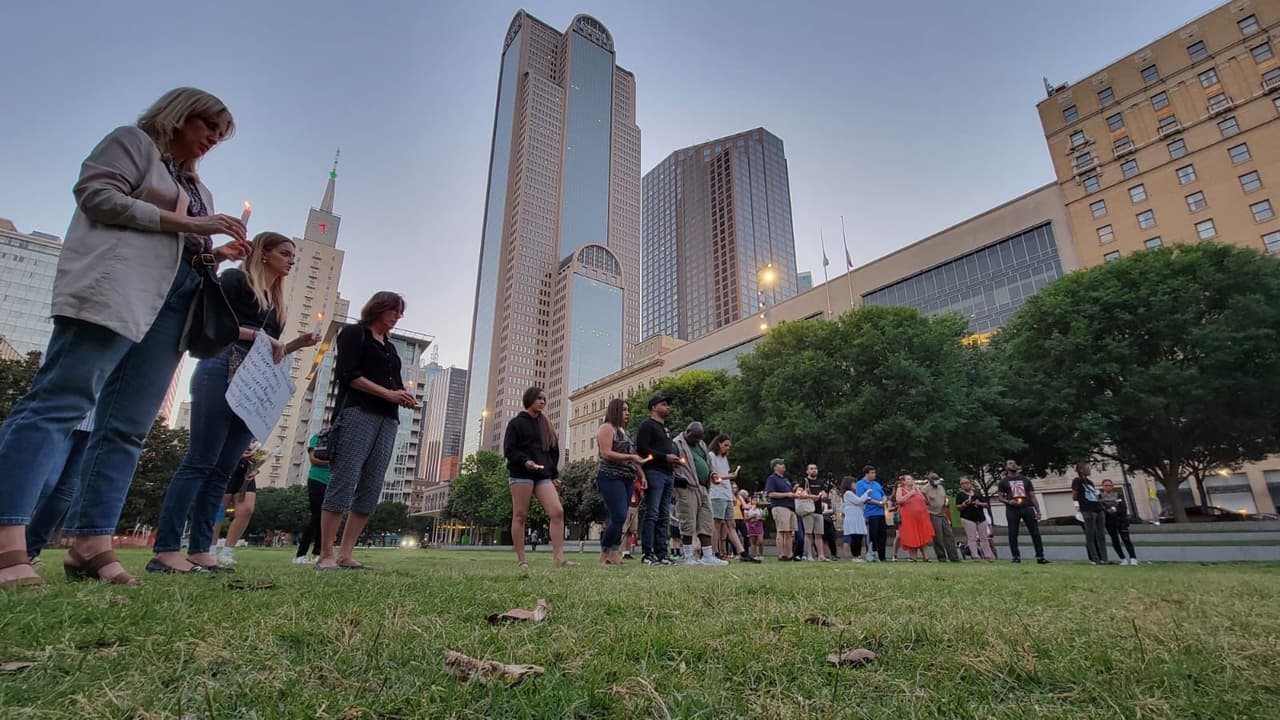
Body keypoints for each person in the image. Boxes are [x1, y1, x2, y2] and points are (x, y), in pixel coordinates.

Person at [0, 88, 250, 587]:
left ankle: (92, 539)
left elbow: (180, 244)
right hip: (115, 290)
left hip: (173, 305)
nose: (211, 141)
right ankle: (7, 534)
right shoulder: (131, 144)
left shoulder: (198, 186)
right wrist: (187, 222)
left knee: (128, 428)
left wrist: (212, 254)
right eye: (207, 128)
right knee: (59, 402)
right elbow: (96, 195)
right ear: (179, 116)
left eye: (219, 137)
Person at [151, 232, 316, 574]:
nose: (291, 259)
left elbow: (271, 348)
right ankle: (166, 549)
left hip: (254, 386)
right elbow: (209, 321)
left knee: (223, 470)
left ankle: (200, 550)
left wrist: (294, 344)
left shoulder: (276, 302)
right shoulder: (235, 280)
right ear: (263, 253)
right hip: (221, 368)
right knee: (199, 460)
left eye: (292, 255)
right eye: (284, 253)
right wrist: (255, 335)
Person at [316, 292, 419, 571]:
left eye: (400, 313)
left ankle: (346, 553)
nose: (397, 317)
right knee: (345, 478)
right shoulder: (354, 334)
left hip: (388, 419)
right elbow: (348, 375)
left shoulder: (391, 348)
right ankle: (325, 552)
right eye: (394, 311)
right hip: (357, 412)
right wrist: (387, 393)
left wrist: (403, 396)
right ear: (379, 308)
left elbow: (395, 385)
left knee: (372, 485)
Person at [502, 386, 569, 569]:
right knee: (520, 515)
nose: (542, 402)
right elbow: (509, 450)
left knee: (557, 512)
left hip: (542, 476)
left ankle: (559, 557)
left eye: (544, 400)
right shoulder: (516, 423)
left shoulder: (545, 424)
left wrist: (553, 473)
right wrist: (525, 462)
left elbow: (553, 451)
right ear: (529, 399)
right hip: (521, 474)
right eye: (539, 398)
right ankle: (522, 559)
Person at [595, 399, 645, 566]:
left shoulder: (625, 432)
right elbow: (606, 453)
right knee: (618, 516)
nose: (627, 413)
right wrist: (631, 457)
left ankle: (614, 553)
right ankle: (605, 552)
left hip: (627, 478)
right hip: (610, 476)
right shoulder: (606, 428)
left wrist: (641, 475)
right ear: (615, 411)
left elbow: (633, 456)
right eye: (624, 410)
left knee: (620, 518)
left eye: (628, 410)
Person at [672, 422, 726, 566]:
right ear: (687, 431)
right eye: (694, 437)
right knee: (688, 520)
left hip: (703, 487)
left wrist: (712, 474)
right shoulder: (677, 444)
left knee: (706, 520)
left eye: (699, 437)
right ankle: (688, 556)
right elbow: (670, 463)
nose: (696, 440)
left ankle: (708, 555)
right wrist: (678, 479)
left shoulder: (701, 444)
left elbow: (706, 462)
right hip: (687, 487)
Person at [635, 394, 679, 566]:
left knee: (663, 515)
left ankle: (662, 552)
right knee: (652, 513)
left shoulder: (666, 429)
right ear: (653, 407)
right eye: (664, 404)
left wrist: (674, 460)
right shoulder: (647, 425)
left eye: (668, 405)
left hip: (668, 474)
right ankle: (648, 552)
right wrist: (664, 457)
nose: (668, 407)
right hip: (654, 472)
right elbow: (643, 448)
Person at [706, 435, 757, 563]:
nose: (727, 448)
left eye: (729, 446)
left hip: (727, 495)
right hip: (716, 494)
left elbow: (726, 479)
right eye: (725, 445)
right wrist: (730, 476)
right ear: (718, 444)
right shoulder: (711, 456)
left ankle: (742, 552)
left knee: (731, 524)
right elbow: (714, 478)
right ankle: (714, 552)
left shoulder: (724, 458)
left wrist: (732, 496)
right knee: (716, 524)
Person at [212, 447, 261, 566]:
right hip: (224, 464)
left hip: (245, 470)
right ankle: (210, 550)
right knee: (218, 509)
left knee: (247, 509)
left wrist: (255, 467)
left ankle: (227, 552)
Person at [997, 460, 1048, 564]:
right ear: (1006, 467)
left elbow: (1032, 496)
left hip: (1027, 507)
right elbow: (1000, 497)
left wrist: (1038, 511)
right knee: (1013, 533)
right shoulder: (1003, 482)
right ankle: (1016, 556)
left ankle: (1040, 556)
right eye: (1010, 463)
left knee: (1035, 532)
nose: (1014, 464)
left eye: (1015, 463)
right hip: (1012, 509)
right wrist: (1009, 501)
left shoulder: (1025, 480)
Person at [293, 432, 331, 564]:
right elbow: (313, 459)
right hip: (317, 479)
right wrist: (332, 462)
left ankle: (318, 553)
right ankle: (301, 554)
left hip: (333, 483)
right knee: (316, 516)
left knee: (327, 518)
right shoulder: (319, 437)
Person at [765, 459, 803, 562]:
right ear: (775, 467)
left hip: (790, 507)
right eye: (780, 464)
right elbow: (770, 494)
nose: (783, 465)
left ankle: (789, 554)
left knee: (790, 532)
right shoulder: (772, 478)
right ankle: (781, 555)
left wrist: (794, 493)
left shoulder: (786, 479)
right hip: (780, 506)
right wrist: (787, 494)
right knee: (782, 531)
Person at [1072, 462, 1109, 565]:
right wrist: (1079, 504)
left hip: (1098, 508)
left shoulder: (1090, 482)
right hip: (1087, 509)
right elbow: (1074, 496)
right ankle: (1095, 558)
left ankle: (1104, 558)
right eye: (1087, 468)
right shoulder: (1077, 481)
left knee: (1101, 535)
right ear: (1081, 470)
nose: (1089, 470)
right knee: (1090, 535)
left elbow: (1096, 495)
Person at [894, 475, 934, 561]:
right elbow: (899, 500)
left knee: (923, 537)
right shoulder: (900, 489)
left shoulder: (917, 489)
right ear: (904, 482)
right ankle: (913, 557)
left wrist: (919, 492)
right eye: (908, 479)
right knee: (911, 536)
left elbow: (924, 500)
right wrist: (910, 494)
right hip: (908, 518)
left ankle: (926, 557)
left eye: (912, 479)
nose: (911, 480)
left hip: (921, 517)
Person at [1101, 479, 1139, 565]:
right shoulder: (1100, 497)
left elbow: (1123, 507)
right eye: (1106, 485)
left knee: (1126, 539)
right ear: (1103, 486)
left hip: (1120, 520)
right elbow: (1100, 508)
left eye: (1110, 485)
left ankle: (1133, 558)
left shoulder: (1118, 495)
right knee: (1115, 540)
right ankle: (1123, 558)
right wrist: (1108, 511)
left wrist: (1115, 510)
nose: (1108, 487)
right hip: (1109, 521)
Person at [923, 473, 960, 562]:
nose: (937, 481)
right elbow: (923, 501)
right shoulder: (924, 489)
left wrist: (946, 503)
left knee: (949, 535)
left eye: (937, 479)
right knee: (938, 537)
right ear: (930, 480)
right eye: (934, 479)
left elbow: (945, 497)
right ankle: (941, 557)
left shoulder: (941, 487)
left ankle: (954, 557)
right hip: (932, 514)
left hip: (942, 514)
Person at [954, 477, 993, 561]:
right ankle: (975, 556)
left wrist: (979, 503)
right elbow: (957, 507)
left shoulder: (977, 493)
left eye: (966, 483)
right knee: (972, 537)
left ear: (970, 483)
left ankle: (987, 555)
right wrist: (964, 504)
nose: (965, 485)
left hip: (980, 517)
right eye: (962, 484)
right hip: (967, 518)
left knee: (984, 537)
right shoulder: (960, 495)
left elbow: (986, 504)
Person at [856, 466, 889, 562]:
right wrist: (878, 503)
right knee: (872, 535)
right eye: (872, 472)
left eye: (874, 472)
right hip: (870, 513)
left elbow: (883, 495)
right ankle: (871, 553)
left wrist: (883, 500)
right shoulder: (860, 484)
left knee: (882, 534)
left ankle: (882, 556)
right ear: (867, 474)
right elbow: (863, 498)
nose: (874, 474)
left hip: (881, 513)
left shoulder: (877, 484)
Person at [798, 464, 830, 562]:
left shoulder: (821, 482)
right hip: (808, 510)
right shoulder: (804, 481)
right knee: (808, 533)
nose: (814, 470)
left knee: (819, 534)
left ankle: (821, 555)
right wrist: (812, 497)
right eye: (811, 469)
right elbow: (799, 494)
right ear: (807, 471)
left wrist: (824, 495)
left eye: (815, 468)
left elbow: (824, 494)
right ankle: (809, 555)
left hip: (819, 510)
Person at [840, 475, 872, 561]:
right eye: (853, 483)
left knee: (859, 536)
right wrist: (866, 493)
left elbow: (860, 503)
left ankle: (858, 555)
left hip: (858, 517)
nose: (855, 485)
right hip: (852, 518)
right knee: (855, 536)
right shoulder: (848, 493)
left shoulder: (853, 494)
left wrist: (865, 500)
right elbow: (858, 501)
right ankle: (855, 556)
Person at [620, 476, 643, 560]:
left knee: (631, 531)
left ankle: (628, 551)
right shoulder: (625, 482)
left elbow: (641, 494)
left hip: (635, 507)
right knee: (625, 530)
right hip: (626, 506)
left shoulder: (637, 483)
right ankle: (624, 552)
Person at [743, 492, 765, 558]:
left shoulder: (760, 509)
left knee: (760, 541)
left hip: (759, 526)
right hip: (751, 526)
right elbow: (745, 519)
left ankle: (761, 554)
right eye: (753, 500)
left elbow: (763, 518)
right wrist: (752, 516)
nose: (754, 501)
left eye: (756, 500)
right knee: (753, 542)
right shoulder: (747, 509)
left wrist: (759, 518)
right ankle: (754, 555)